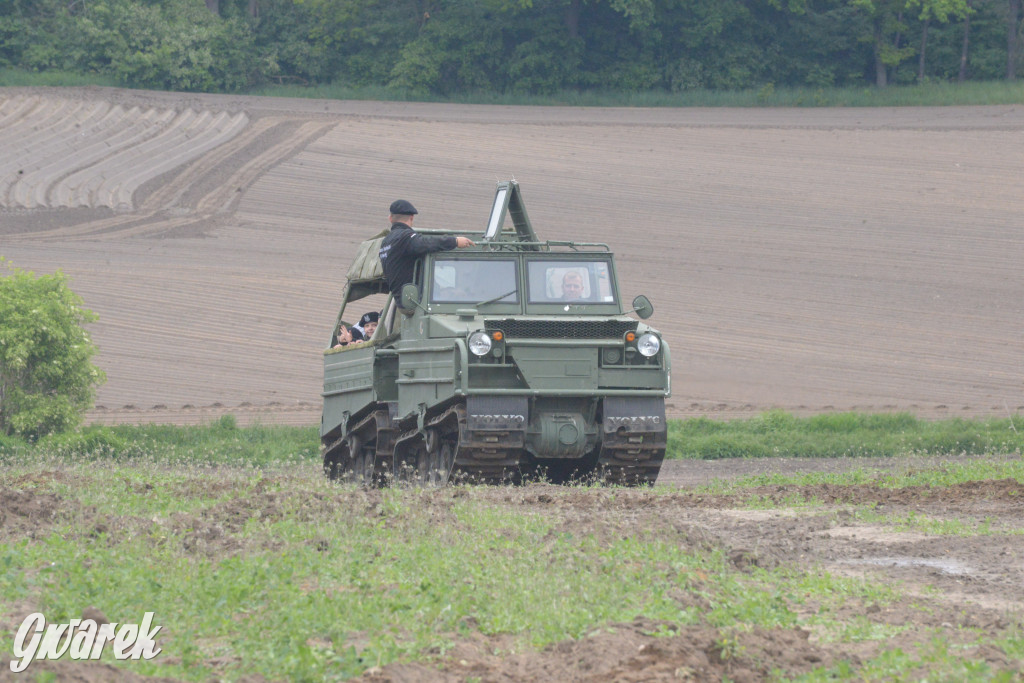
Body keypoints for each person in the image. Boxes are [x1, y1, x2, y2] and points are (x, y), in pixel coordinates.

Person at [378, 199, 475, 300]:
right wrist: (455, 242)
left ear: (390, 218)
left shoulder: (386, 241)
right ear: (411, 218)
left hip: (402, 297)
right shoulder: (405, 237)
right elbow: (424, 243)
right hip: (415, 301)